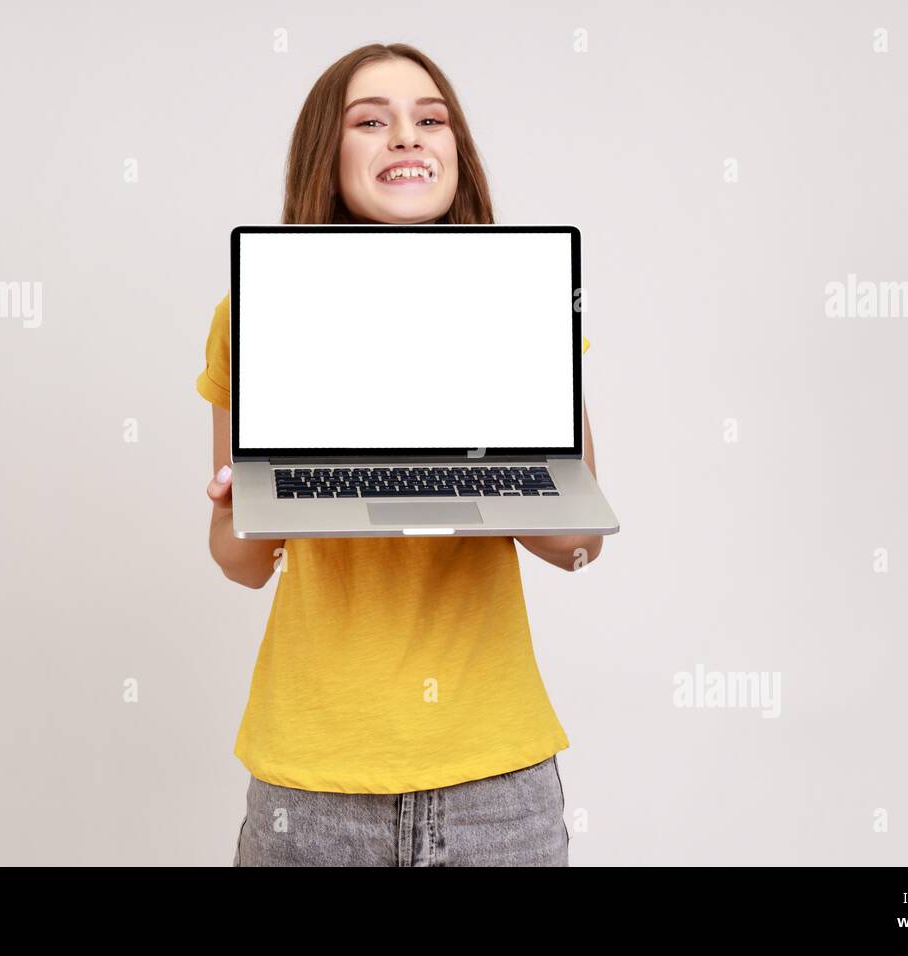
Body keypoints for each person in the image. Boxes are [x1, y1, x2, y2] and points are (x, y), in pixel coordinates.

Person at [196, 43, 606, 866]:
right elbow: (241, 563)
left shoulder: (523, 309)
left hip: (497, 782)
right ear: (329, 153)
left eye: (430, 119)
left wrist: (483, 480)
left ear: (458, 154)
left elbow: (576, 543)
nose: (407, 137)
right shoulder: (254, 315)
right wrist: (242, 501)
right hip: (313, 784)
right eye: (371, 121)